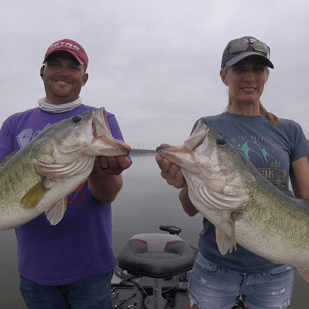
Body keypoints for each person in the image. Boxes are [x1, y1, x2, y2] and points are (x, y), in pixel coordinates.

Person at [156, 36, 309, 309]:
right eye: (239, 69)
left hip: (275, 270)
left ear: (266, 76)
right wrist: (185, 183)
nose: (249, 77)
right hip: (215, 266)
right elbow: (190, 208)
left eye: (257, 69)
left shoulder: (291, 131)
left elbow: (306, 199)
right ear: (224, 76)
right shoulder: (207, 127)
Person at [0, 39, 131, 309]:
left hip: (91, 266)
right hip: (35, 270)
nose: (63, 72)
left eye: (73, 67)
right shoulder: (14, 124)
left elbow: (106, 196)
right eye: (55, 64)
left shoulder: (100, 121)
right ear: (42, 71)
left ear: (84, 78)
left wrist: (101, 173)